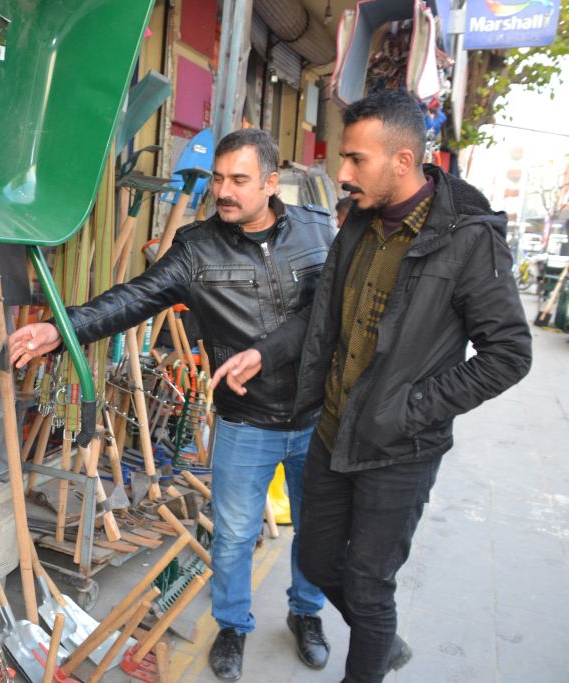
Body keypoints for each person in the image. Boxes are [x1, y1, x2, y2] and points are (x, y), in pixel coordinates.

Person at [214, 90, 532, 683]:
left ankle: (370, 653)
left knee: (368, 585)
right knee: (315, 560)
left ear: (403, 161)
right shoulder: (359, 223)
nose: (342, 173)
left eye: (356, 159)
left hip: (400, 448)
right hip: (333, 432)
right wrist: (265, 352)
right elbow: (321, 317)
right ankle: (380, 638)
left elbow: (509, 354)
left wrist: (411, 408)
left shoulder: (468, 239)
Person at [9, 129, 336, 681]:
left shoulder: (318, 230)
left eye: (239, 180)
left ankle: (307, 613)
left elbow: (338, 313)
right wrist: (61, 329)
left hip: (318, 415)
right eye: (218, 179)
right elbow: (134, 298)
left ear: (271, 183)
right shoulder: (197, 248)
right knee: (233, 536)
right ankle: (232, 625)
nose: (223, 191)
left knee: (317, 526)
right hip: (246, 419)